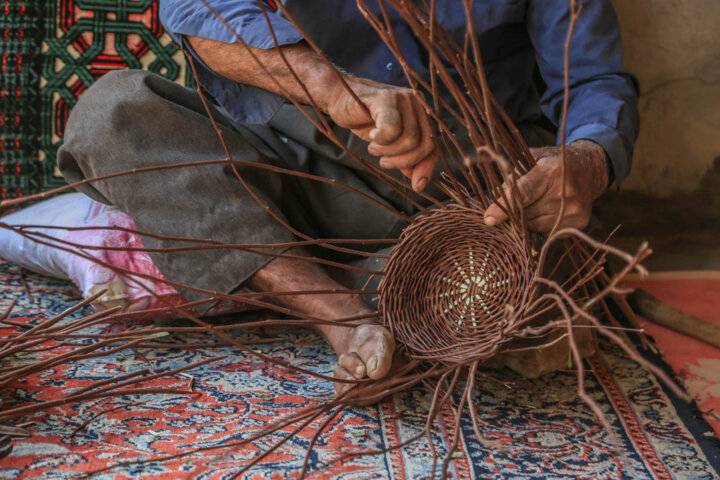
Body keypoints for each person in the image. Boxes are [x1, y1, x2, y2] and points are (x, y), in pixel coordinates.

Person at [57, 0, 639, 393]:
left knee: (532, 283)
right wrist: (334, 89)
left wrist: (585, 163)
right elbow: (198, 7)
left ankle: (349, 281)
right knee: (113, 113)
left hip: (472, 190)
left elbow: (593, 81)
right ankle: (348, 317)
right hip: (298, 149)